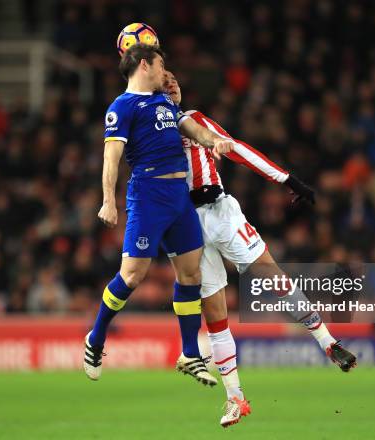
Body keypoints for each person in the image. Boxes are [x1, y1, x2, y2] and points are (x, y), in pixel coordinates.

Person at [163, 71, 357, 427]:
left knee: (272, 278)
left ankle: (328, 341)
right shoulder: (148, 133)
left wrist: (286, 178)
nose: (172, 83)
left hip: (219, 211)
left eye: (173, 78)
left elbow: (235, 148)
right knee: (215, 312)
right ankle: (235, 399)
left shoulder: (190, 119)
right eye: (163, 81)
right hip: (185, 224)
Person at [84, 45, 235, 386]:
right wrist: (109, 200)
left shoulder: (164, 101)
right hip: (148, 195)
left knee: (191, 275)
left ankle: (189, 354)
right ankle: (95, 338)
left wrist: (213, 141)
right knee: (133, 276)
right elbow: (111, 157)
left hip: (179, 196)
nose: (165, 71)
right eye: (161, 64)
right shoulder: (122, 107)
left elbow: (191, 128)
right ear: (143, 65)